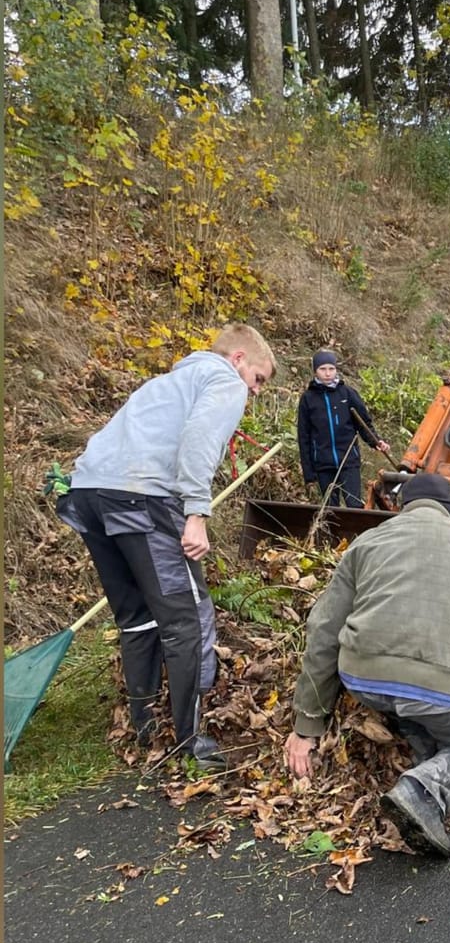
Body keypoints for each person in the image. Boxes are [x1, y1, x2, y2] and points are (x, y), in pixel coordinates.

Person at [56, 321, 276, 766]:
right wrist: (196, 513)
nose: (255, 393)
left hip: (89, 496)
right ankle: (190, 738)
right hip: (143, 499)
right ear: (238, 360)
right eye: (258, 380)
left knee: (136, 618)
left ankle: (145, 726)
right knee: (187, 619)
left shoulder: (166, 383)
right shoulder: (223, 381)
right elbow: (198, 441)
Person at [283, 470, 450, 861]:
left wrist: (307, 725)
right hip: (437, 692)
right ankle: (422, 790)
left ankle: (418, 735)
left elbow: (324, 630)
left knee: (407, 700)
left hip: (362, 679)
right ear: (449, 510)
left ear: (402, 506)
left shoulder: (369, 541)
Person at [296, 349, 384, 509]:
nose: (327, 373)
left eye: (331, 369)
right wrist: (309, 473)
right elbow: (304, 436)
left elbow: (364, 423)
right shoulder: (308, 399)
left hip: (348, 460)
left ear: (336, 370)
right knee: (330, 508)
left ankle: (355, 534)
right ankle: (334, 534)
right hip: (323, 463)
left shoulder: (348, 393)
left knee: (353, 504)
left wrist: (376, 441)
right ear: (315, 371)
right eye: (323, 369)